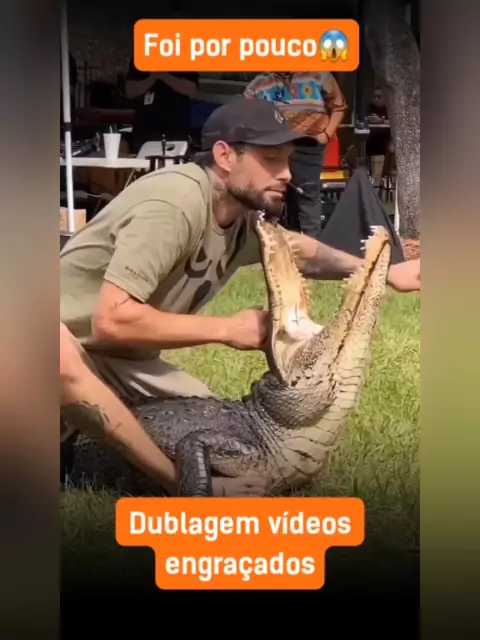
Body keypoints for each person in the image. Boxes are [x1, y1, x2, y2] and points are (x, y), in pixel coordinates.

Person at [60, 97, 420, 497]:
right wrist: (227, 329)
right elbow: (112, 319)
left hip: (113, 359)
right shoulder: (175, 203)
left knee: (207, 421)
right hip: (56, 348)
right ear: (225, 156)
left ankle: (73, 436)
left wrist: (385, 273)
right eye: (271, 159)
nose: (287, 174)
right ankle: (187, 488)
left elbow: (299, 251)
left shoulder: (237, 217)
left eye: (287, 160)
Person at [244, 71, 347, 240]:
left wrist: (326, 135)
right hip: (273, 146)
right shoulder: (260, 81)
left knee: (307, 195)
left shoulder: (319, 74)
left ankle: (312, 246)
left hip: (308, 144)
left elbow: (339, 106)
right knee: (270, 194)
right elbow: (243, 112)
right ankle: (270, 242)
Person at [125, 59, 198, 154]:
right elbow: (130, 90)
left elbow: (191, 89)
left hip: (176, 129)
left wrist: (163, 74)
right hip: (145, 129)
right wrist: (153, 77)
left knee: (174, 160)